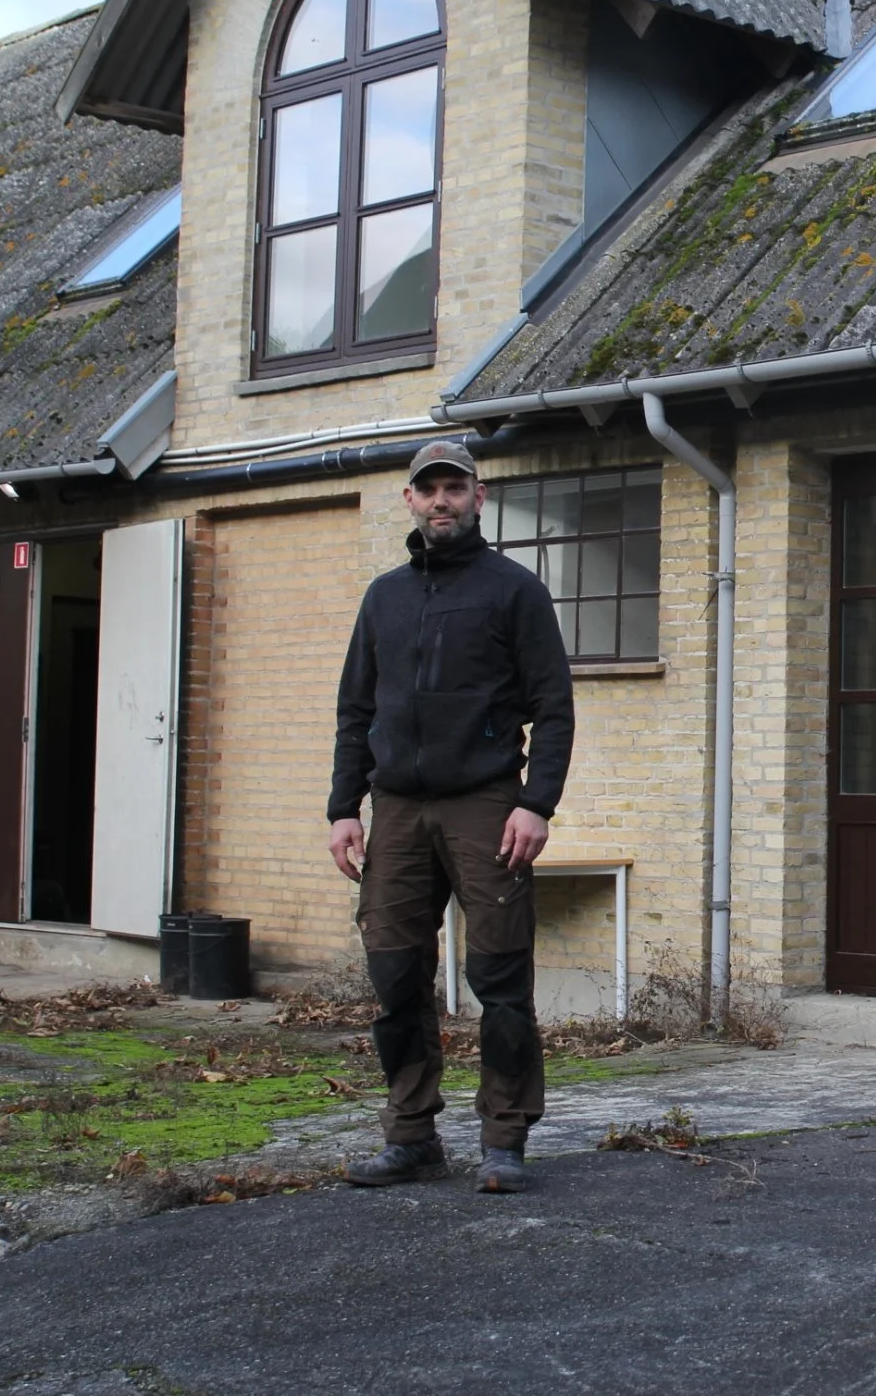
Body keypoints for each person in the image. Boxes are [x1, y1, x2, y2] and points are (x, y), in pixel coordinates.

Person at [326, 440, 574, 1194]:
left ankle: (504, 1138)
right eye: (428, 490)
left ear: (478, 496)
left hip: (486, 806)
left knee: (499, 976)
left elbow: (555, 708)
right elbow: (355, 711)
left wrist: (537, 803)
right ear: (409, 500)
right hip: (396, 810)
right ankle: (410, 1135)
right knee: (395, 975)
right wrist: (345, 809)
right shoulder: (385, 598)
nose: (442, 501)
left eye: (454, 489)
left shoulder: (514, 591)